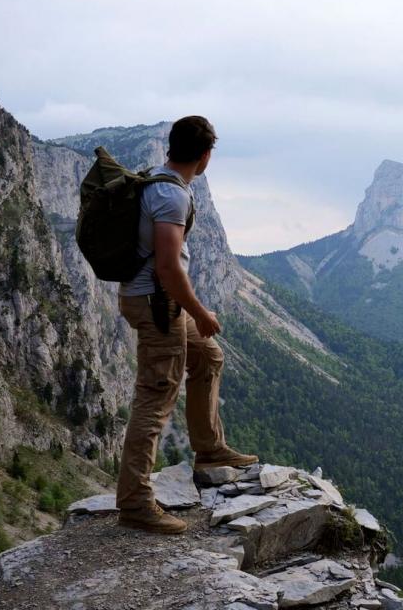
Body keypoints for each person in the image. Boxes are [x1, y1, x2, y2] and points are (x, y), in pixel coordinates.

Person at [116, 115, 258, 534]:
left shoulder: (154, 180)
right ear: (205, 156)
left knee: (208, 355)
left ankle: (210, 449)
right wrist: (200, 312)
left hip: (157, 302)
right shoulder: (172, 197)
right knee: (156, 399)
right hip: (159, 304)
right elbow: (167, 268)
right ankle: (135, 503)